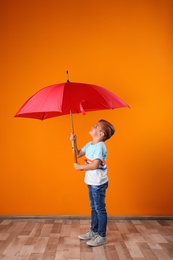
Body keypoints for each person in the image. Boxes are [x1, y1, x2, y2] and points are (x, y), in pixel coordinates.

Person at [70, 119, 115, 247]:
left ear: (101, 134)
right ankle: (94, 231)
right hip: (91, 181)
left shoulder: (101, 146)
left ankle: (101, 236)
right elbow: (77, 154)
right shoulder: (90, 144)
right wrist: (73, 142)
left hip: (98, 183)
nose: (92, 126)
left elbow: (95, 165)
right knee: (93, 208)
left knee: (99, 209)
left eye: (96, 126)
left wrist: (80, 167)